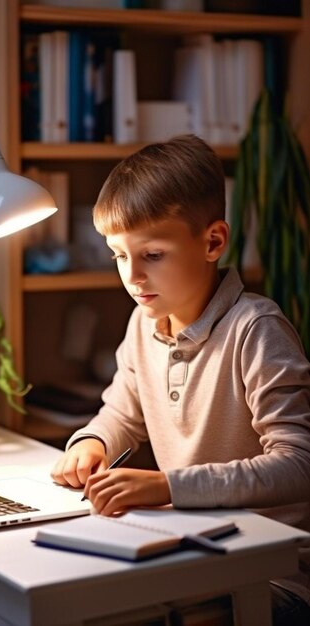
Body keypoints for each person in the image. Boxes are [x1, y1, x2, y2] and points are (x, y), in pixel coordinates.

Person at [51, 135, 310, 625]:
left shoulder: (256, 330)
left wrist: (168, 486)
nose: (132, 277)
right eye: (118, 256)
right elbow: (121, 413)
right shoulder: (144, 323)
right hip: (191, 554)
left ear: (213, 241)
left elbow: (299, 464)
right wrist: (93, 443)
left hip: (272, 578)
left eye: (152, 255)